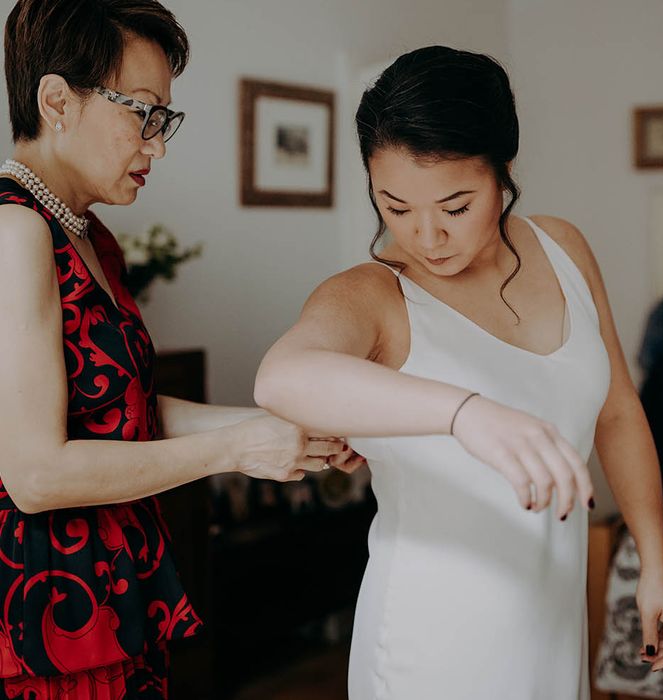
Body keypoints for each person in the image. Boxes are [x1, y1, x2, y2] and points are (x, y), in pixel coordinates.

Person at [254, 46, 663, 699]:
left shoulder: (562, 248)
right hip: (430, 641)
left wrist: (655, 562)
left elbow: (619, 412)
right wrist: (466, 412)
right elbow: (281, 378)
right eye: (395, 207)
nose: (426, 237)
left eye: (455, 207)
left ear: (503, 172)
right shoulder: (372, 294)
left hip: (552, 617)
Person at [0, 1, 360, 697]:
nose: (157, 144)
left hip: (107, 585)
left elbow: (120, 408)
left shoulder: (85, 233)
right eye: (142, 112)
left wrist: (280, 430)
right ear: (55, 100)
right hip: (49, 611)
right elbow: (35, 474)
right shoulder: (14, 233)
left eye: (164, 118)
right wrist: (234, 451)